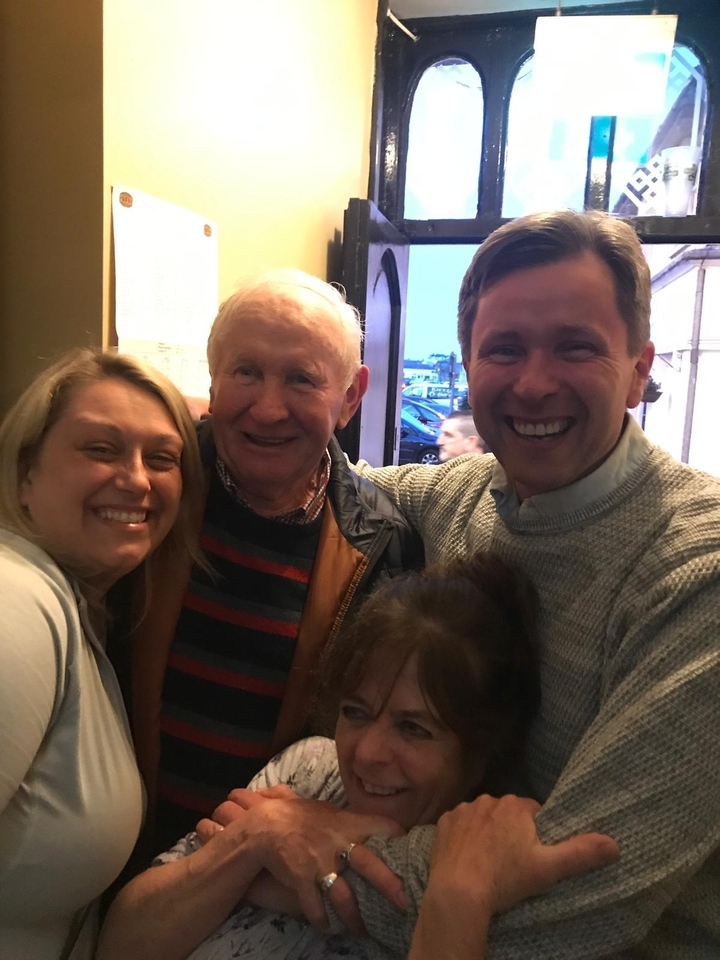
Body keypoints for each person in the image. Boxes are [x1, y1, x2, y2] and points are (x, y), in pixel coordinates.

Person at [202, 210, 720, 957]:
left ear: (641, 367)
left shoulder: (695, 570)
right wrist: (172, 436)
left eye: (576, 347)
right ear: (468, 365)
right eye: (503, 349)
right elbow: (323, 471)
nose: (534, 384)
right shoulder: (464, 494)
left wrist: (290, 851)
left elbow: (583, 900)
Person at [98, 553, 617, 960]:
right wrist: (256, 838)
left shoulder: (496, 862)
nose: (366, 754)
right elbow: (120, 943)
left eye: (413, 729)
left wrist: (454, 899)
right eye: (357, 712)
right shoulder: (310, 769)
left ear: (481, 749)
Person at [117, 270, 423, 853]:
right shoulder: (149, 492)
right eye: (246, 372)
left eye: (302, 380)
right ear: (213, 377)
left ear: (351, 397)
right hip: (109, 863)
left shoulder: (384, 544)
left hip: (267, 883)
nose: (268, 408)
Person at [0, 348, 204, 960]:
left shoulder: (81, 613)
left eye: (161, 458)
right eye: (100, 448)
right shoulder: (18, 599)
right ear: (26, 472)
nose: (137, 479)